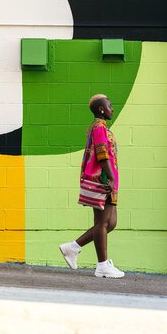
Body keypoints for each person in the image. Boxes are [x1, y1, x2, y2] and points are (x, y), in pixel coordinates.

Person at [59, 94, 124, 278]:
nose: (112, 109)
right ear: (101, 109)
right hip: (104, 180)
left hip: (110, 181)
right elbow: (102, 154)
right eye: (109, 106)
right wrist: (110, 178)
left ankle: (73, 247)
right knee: (102, 223)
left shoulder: (100, 128)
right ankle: (102, 265)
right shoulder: (98, 128)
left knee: (110, 223)